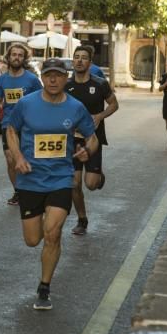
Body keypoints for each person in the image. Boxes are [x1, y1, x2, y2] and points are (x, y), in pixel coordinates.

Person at [7, 58, 98, 310]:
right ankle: (44, 276)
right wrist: (18, 156)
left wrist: (87, 152)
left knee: (53, 233)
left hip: (60, 178)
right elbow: (11, 130)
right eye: (49, 76)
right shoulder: (26, 104)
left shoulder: (76, 108)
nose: (54, 80)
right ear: (42, 78)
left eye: (58, 75)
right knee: (33, 240)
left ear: (65, 77)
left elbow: (92, 138)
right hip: (30, 180)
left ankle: (44, 287)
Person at [65, 45, 118, 235]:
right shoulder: (66, 85)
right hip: (72, 140)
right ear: (73, 61)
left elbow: (114, 104)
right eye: (76, 57)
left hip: (92, 139)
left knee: (91, 184)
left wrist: (100, 116)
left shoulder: (99, 84)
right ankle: (82, 219)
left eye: (83, 58)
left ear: (90, 62)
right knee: (74, 183)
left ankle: (99, 176)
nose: (79, 60)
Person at [0, 43, 41, 205]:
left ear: (24, 58)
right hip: (9, 125)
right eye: (14, 54)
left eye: (20, 55)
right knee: (10, 159)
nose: (16, 57)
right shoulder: (1, 80)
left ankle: (31, 188)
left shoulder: (32, 80)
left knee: (27, 159)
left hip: (28, 125)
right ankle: (18, 191)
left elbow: (41, 100)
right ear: (8, 57)